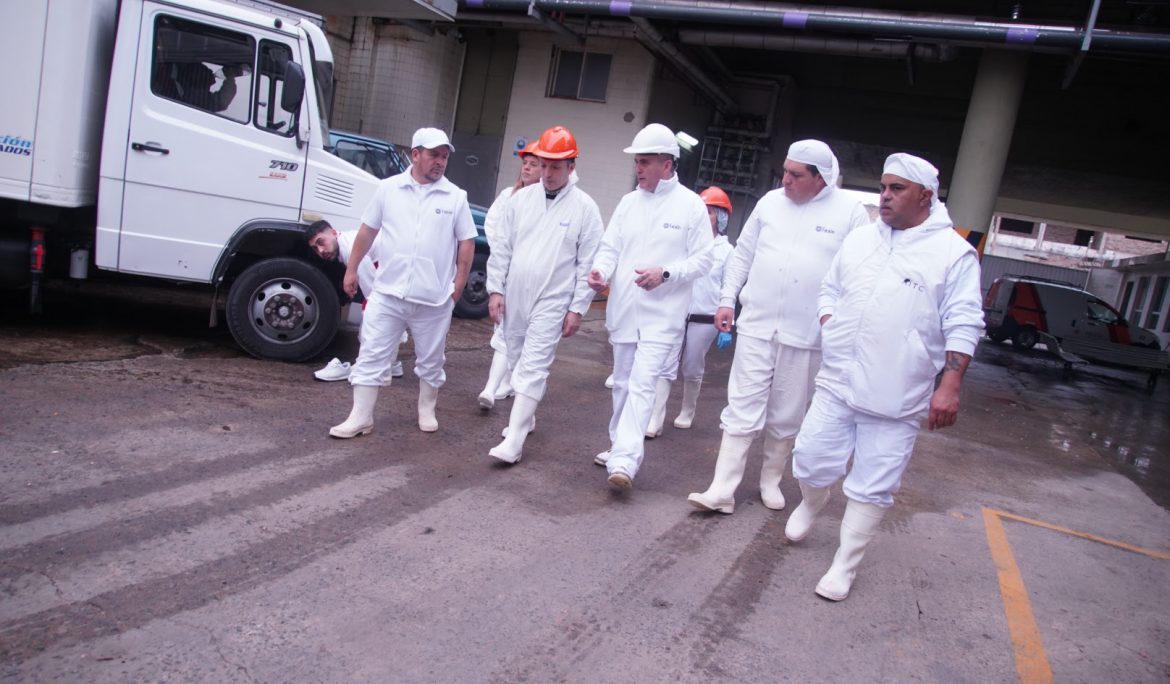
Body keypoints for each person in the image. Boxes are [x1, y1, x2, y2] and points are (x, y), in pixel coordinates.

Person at [784, 153, 983, 601]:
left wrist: (949, 385)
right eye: (884, 186)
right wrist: (829, 319)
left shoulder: (954, 254)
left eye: (897, 189)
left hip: (897, 395)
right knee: (811, 457)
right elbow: (830, 286)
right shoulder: (861, 239)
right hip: (837, 380)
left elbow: (965, 321)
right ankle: (813, 501)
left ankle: (844, 565)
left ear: (925, 196)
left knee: (873, 485)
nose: (885, 196)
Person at [687, 140, 869, 515]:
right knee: (741, 406)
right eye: (784, 171)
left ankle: (770, 480)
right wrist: (727, 299)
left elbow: (860, 276)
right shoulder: (769, 203)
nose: (785, 179)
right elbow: (743, 256)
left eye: (795, 174)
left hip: (808, 336)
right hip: (757, 324)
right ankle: (722, 488)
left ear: (821, 179)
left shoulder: (850, 213)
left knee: (787, 413)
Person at [588, 123, 714, 490]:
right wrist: (600, 271)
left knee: (643, 383)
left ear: (666, 163)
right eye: (637, 162)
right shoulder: (629, 203)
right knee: (622, 383)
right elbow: (610, 247)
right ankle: (617, 446)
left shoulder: (691, 206)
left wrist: (667, 273)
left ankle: (626, 460)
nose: (638, 169)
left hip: (664, 315)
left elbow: (704, 260)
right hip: (626, 308)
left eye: (644, 162)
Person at [329, 127, 476, 438]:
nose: (440, 161)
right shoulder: (388, 189)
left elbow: (466, 243)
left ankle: (426, 408)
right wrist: (352, 269)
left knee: (432, 360)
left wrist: (458, 286)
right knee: (370, 353)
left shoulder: (456, 197)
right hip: (388, 292)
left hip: (434, 298)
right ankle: (360, 417)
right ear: (416, 154)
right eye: (434, 154)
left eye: (445, 156)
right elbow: (367, 231)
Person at [485, 126, 604, 463]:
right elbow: (502, 250)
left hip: (554, 299)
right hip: (515, 294)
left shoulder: (585, 209)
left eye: (556, 166)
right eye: (545, 165)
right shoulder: (520, 200)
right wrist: (496, 290)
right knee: (516, 356)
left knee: (535, 365)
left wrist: (578, 308)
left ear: (571, 166)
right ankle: (528, 415)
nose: (549, 173)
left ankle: (514, 441)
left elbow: (587, 263)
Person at [644, 186, 736, 438]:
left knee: (692, 365)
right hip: (677, 312)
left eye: (711, 212)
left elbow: (730, 285)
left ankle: (687, 410)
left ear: (722, 217)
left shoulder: (727, 252)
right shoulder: (686, 244)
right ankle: (655, 418)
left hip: (705, 318)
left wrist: (728, 322)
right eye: (702, 211)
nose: (705, 217)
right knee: (665, 362)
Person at [477, 140, 543, 410]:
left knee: (526, 336)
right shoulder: (509, 196)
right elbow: (494, 228)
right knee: (505, 331)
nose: (526, 168)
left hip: (537, 280)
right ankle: (494, 386)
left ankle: (509, 381)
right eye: (524, 163)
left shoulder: (553, 202)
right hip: (510, 274)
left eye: (533, 164)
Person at [304, 220, 404, 381]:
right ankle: (389, 363)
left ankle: (375, 365)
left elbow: (374, 294)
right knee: (377, 312)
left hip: (402, 275)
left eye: (321, 242)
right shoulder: (347, 242)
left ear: (334, 233)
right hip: (397, 273)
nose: (321, 250)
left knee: (374, 312)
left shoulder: (351, 249)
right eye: (315, 248)